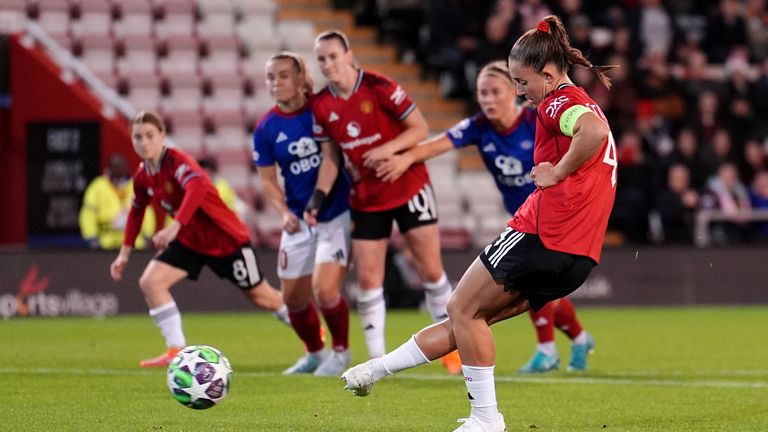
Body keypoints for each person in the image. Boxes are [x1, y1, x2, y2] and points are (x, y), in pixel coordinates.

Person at [341, 16, 617, 432]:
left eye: (521, 83)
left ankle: (486, 418)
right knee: (467, 322)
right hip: (579, 254)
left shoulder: (558, 101)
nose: (519, 91)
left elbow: (593, 132)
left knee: (459, 307)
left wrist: (557, 172)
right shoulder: (568, 101)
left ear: (546, 74)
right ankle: (375, 371)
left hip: (542, 231)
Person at [376, 60, 596, 374]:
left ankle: (548, 349)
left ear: (514, 92)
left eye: (495, 92)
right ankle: (579, 337)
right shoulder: (480, 126)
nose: (488, 100)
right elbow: (438, 144)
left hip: (554, 218)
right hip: (524, 219)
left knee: (533, 281)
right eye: (482, 93)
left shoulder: (537, 120)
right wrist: (405, 158)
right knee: (540, 288)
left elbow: (582, 140)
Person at [306, 29, 460, 373]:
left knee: (431, 271)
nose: (328, 64)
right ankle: (376, 359)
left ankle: (453, 350)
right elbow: (330, 159)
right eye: (321, 59)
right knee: (368, 279)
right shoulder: (320, 105)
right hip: (366, 196)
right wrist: (317, 198)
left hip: (408, 184)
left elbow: (420, 128)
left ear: (348, 55)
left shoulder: (379, 86)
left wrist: (387, 150)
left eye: (333, 56)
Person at [109, 111, 290, 368]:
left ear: (162, 136)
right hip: (192, 240)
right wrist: (124, 254)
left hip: (225, 239)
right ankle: (175, 351)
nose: (144, 142)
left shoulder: (178, 162)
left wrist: (174, 229)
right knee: (151, 282)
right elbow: (137, 212)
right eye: (138, 137)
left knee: (263, 298)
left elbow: (196, 189)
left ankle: (312, 331)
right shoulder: (142, 176)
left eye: (150, 136)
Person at [253, 52, 352, 376]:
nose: (276, 83)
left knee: (325, 290)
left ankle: (341, 353)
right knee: (293, 298)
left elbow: (335, 158)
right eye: (270, 77)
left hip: (334, 214)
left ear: (299, 78)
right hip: (297, 219)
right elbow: (267, 180)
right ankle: (315, 354)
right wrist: (283, 212)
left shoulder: (319, 110)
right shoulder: (266, 128)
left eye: (283, 75)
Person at [79, 154, 154, 249]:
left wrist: (147, 236)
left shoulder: (136, 185)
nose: (118, 169)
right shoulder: (97, 186)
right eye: (115, 166)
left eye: (121, 166)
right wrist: (91, 238)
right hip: (106, 242)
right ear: (109, 167)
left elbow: (147, 211)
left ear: (126, 167)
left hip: (135, 242)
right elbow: (88, 214)